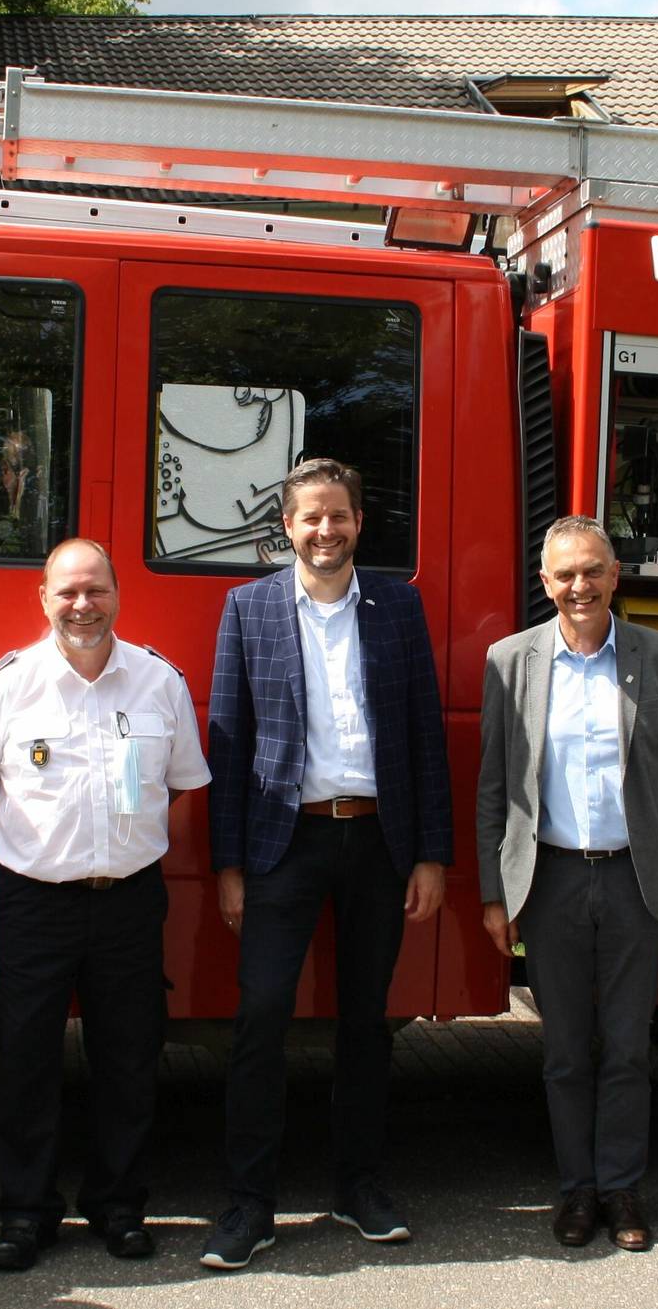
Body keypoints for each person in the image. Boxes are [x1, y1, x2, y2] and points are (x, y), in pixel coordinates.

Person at [198, 457, 452, 1270]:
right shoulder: (247, 608)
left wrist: (431, 854)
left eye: (338, 515)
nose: (325, 530)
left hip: (378, 841)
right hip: (284, 840)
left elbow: (423, 734)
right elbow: (227, 741)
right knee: (261, 1018)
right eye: (310, 517)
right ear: (287, 526)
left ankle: (359, 1186)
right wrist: (229, 862)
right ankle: (250, 1204)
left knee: (366, 1023)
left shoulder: (398, 606)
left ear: (357, 521)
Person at [0, 539, 210, 1272]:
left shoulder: (158, 683)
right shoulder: (4, 687)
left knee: (128, 1058)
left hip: (129, 899)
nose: (82, 604)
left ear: (118, 595)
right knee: (25, 1059)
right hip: (36, 902)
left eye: (95, 589)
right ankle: (25, 1213)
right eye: (67, 592)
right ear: (43, 598)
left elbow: (180, 781)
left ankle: (119, 1206)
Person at [476, 516, 658, 1252]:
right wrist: (494, 891)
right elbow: (492, 787)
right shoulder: (509, 659)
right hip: (551, 881)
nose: (579, 586)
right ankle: (577, 1190)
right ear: (544, 583)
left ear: (615, 576)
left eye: (593, 571)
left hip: (636, 882)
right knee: (567, 1051)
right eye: (564, 574)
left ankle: (622, 1188)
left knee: (628, 1046)